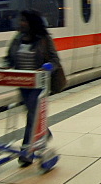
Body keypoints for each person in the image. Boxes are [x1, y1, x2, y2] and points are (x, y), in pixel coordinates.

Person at [5, 10, 62, 166]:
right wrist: (3, 67)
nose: (21, 23)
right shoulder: (17, 39)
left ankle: (26, 153)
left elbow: (55, 59)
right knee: (32, 115)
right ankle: (44, 132)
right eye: (21, 20)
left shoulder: (43, 39)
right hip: (23, 83)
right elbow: (9, 58)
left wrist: (47, 67)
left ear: (32, 23)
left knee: (32, 116)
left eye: (24, 20)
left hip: (39, 84)